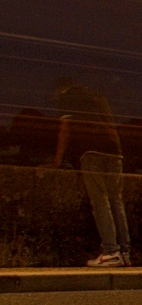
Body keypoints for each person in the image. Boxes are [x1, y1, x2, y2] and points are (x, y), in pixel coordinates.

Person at [52, 79, 132, 268]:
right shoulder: (98, 97)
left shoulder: (68, 97)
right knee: (116, 201)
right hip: (114, 151)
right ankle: (125, 252)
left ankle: (110, 251)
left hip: (91, 150)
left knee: (100, 200)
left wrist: (57, 162)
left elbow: (65, 130)